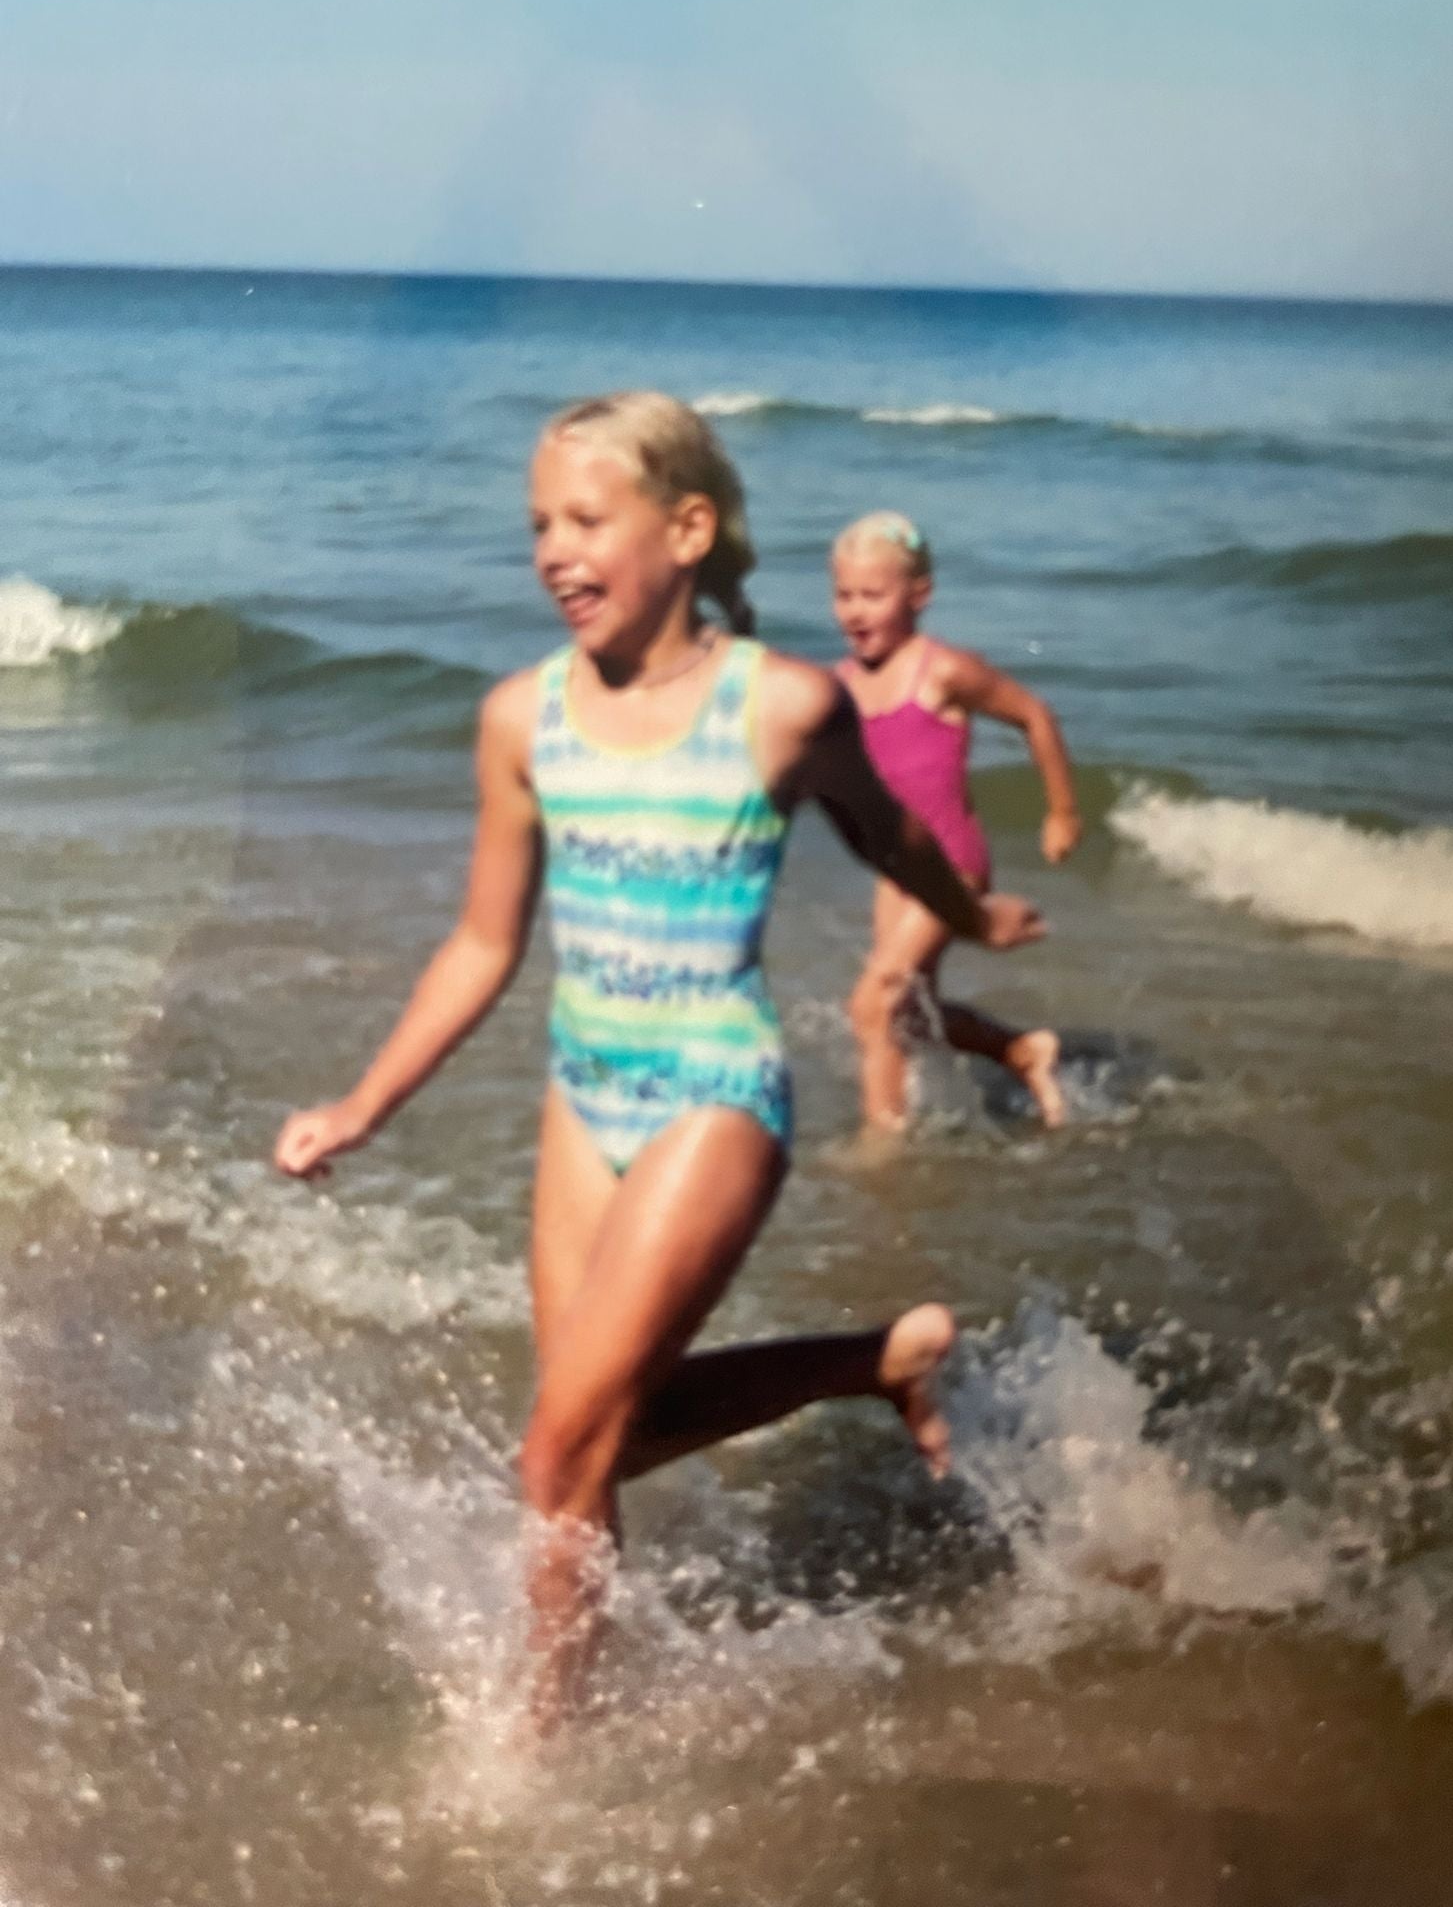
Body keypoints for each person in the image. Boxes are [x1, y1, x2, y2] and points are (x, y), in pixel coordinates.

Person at [273, 394, 1045, 1729]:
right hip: (586, 1092)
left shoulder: (783, 704)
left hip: (714, 1094)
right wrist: (363, 1102)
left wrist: (972, 918)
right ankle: (877, 1361)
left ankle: (543, 1749)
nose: (554, 552)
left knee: (553, 1449)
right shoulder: (523, 718)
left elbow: (891, 837)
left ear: (687, 529)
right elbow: (478, 943)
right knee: (596, 1445)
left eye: (586, 519)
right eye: (537, 526)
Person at [831, 510, 1082, 1135]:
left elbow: (1034, 715)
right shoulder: (839, 685)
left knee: (875, 1001)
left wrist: (1063, 811)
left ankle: (881, 1149)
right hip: (898, 871)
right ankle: (1020, 1051)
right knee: (912, 1017)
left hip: (952, 861)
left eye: (872, 595)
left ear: (919, 595)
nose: (855, 611)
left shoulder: (942, 671)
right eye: (843, 595)